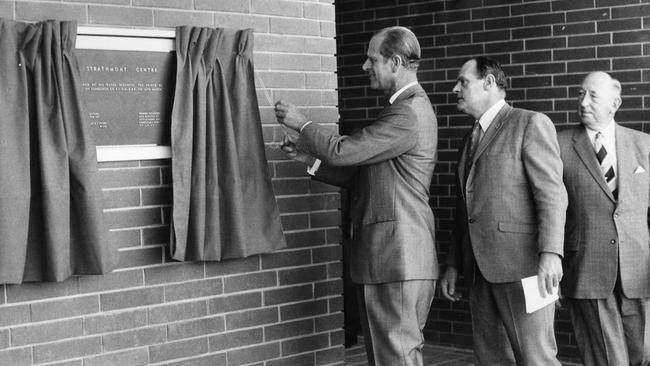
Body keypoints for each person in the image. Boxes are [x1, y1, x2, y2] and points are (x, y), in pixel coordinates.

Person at [275, 26, 438, 366]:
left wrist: (303, 125)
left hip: (397, 259)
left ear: (395, 62)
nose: (365, 66)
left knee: (396, 358)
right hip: (391, 259)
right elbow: (367, 174)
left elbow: (344, 150)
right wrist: (309, 158)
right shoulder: (404, 109)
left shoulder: (407, 111)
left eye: (372, 59)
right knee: (387, 358)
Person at [440, 56, 568, 365]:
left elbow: (551, 194)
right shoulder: (468, 140)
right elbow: (465, 209)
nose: (455, 88)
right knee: (491, 359)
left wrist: (551, 253)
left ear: (489, 83)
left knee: (536, 359)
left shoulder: (529, 123)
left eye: (463, 82)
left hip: (525, 269)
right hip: (479, 273)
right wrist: (454, 264)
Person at [557, 71, 650, 366]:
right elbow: (548, 209)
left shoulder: (643, 145)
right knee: (604, 360)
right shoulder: (557, 145)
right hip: (586, 268)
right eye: (580, 94)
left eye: (593, 95)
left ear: (615, 103)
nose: (583, 102)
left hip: (639, 270)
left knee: (642, 355)